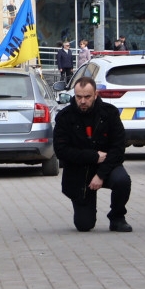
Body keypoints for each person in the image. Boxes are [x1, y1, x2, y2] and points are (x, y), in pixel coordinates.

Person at [53, 75, 133, 233]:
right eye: (78, 97)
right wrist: (93, 156)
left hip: (107, 166)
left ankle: (117, 217)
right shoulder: (65, 117)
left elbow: (118, 148)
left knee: (122, 180)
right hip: (79, 172)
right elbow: (61, 151)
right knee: (84, 225)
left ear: (96, 95)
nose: (82, 101)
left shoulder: (109, 113)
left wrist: (101, 175)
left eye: (87, 97)